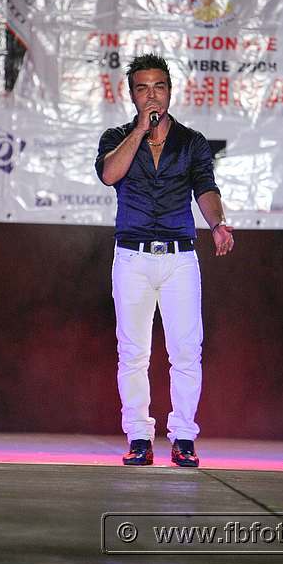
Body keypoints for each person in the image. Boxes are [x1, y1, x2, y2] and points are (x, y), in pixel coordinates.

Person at [95, 53, 234, 467]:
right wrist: (140, 131)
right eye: (143, 88)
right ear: (132, 95)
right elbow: (109, 174)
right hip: (132, 257)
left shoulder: (191, 142)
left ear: (170, 92)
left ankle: (184, 437)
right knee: (133, 353)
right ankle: (139, 437)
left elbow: (205, 187)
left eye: (159, 87)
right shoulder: (117, 138)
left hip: (179, 258)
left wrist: (217, 224)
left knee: (186, 351)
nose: (152, 95)